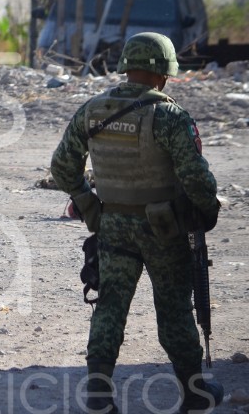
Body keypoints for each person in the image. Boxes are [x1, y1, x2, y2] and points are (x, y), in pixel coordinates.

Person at [50, 32, 223, 414]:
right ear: (162, 74)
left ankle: (98, 396)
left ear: (127, 67)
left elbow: (62, 165)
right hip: (165, 230)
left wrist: (89, 206)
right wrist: (206, 213)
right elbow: (196, 179)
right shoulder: (169, 116)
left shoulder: (94, 109)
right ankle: (194, 394)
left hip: (112, 226)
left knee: (110, 306)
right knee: (175, 309)